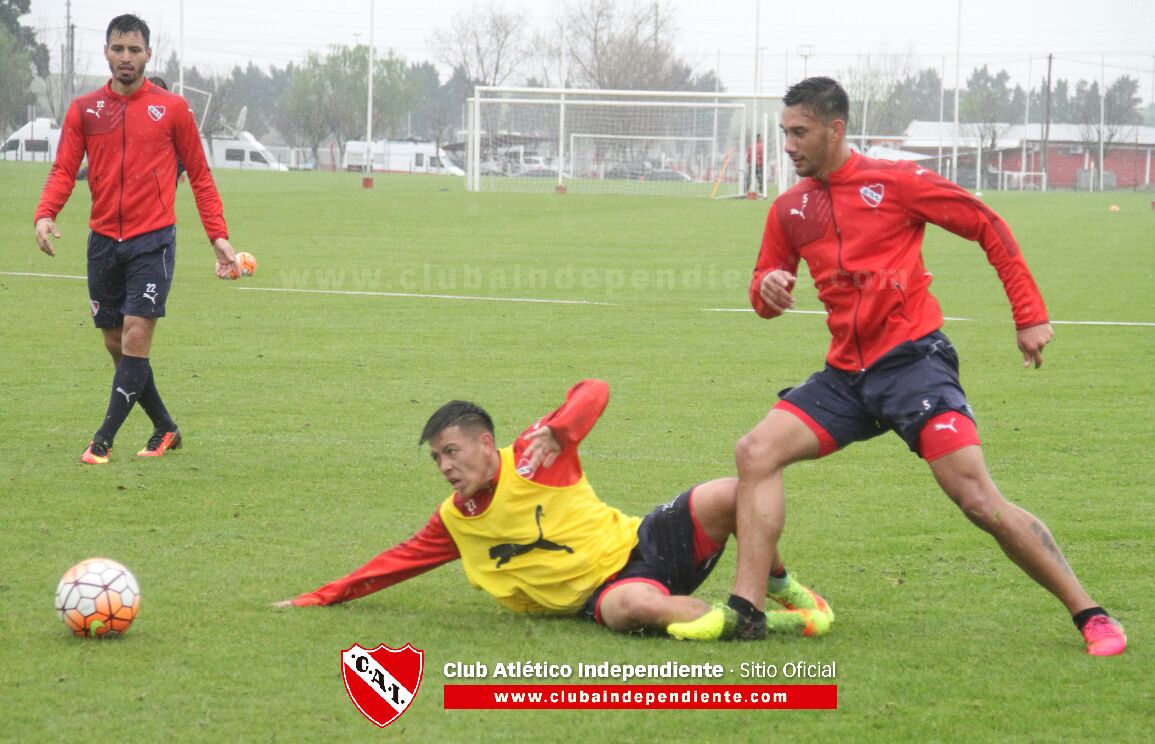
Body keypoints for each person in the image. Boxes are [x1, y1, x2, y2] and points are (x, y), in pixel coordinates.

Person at [679, 77, 1126, 656]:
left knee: (978, 500)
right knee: (755, 452)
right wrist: (766, 288)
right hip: (845, 377)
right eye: (783, 132)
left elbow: (987, 226)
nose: (787, 145)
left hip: (914, 365)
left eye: (799, 132)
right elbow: (764, 302)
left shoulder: (896, 183)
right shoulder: (790, 208)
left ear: (834, 129)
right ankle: (748, 611)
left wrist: (1029, 314)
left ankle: (1089, 613)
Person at [274, 379, 834, 640]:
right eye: (436, 458)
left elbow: (595, 389)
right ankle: (763, 625)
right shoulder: (454, 520)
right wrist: (315, 597)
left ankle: (781, 589)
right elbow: (392, 564)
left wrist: (560, 430)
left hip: (646, 539)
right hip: (603, 593)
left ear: (485, 443)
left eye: (452, 452)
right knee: (635, 607)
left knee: (734, 492)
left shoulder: (535, 454)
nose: (445, 467)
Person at [34, 14, 241, 464]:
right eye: (117, 49)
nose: (125, 57)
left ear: (148, 54)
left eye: (134, 50)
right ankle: (166, 427)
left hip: (153, 242)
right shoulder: (84, 110)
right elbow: (65, 169)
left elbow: (201, 177)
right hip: (103, 243)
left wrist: (218, 238)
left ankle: (101, 440)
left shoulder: (173, 109)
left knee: (135, 337)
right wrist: (46, 213)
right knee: (116, 345)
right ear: (106, 52)